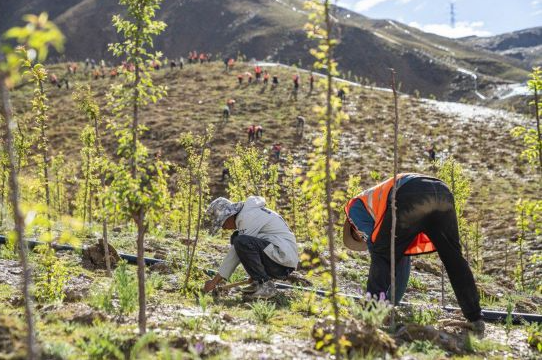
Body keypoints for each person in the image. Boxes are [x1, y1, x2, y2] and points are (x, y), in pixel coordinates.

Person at [342, 173, 484, 333]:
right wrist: (392, 304)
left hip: (409, 193)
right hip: (442, 191)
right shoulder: (378, 208)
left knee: (381, 255)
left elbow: (380, 253)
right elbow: (401, 260)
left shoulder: (354, 208)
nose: (362, 235)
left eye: (359, 235)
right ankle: (475, 318)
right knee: (453, 258)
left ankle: (369, 316)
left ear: (352, 227)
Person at [203, 196, 299, 299]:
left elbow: (236, 252)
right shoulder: (247, 213)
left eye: (222, 223)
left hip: (282, 262)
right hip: (281, 258)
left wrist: (215, 281)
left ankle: (266, 286)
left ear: (229, 215)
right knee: (237, 237)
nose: (224, 228)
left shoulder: (246, 217)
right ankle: (258, 282)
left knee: (240, 241)